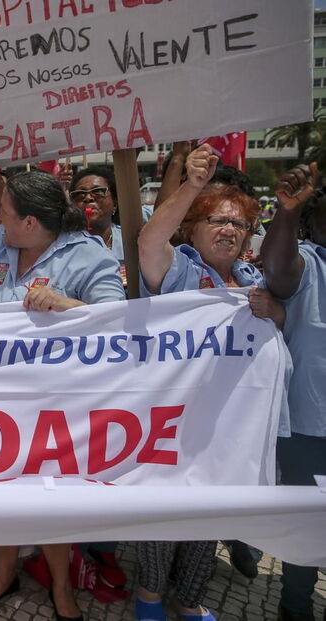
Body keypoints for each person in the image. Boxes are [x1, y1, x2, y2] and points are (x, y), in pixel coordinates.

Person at [0, 170, 125, 621]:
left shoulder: (89, 255)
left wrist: (65, 305)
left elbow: (116, 321)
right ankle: (4, 572)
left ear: (30, 222)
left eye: (5, 212)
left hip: (56, 401)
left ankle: (62, 587)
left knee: (50, 495)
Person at [135, 144, 285, 621]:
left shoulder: (250, 280)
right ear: (193, 228)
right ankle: (151, 597)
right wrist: (192, 185)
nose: (228, 231)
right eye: (217, 221)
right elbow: (147, 241)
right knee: (163, 511)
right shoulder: (178, 269)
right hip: (170, 421)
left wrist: (274, 313)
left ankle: (190, 596)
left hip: (226, 423)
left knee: (211, 513)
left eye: (238, 224)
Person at [260, 162, 326, 621]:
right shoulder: (308, 262)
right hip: (310, 425)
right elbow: (278, 271)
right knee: (310, 523)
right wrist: (285, 213)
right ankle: (295, 605)